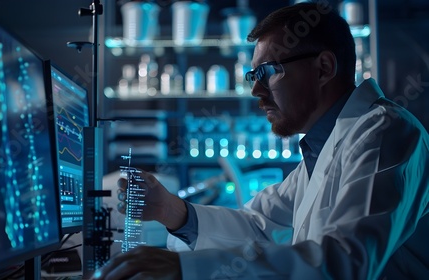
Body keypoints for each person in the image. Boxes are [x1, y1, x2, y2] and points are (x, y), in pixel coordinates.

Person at [96, 2, 429, 279]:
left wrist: (185, 268)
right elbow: (260, 227)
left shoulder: (386, 133)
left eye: (267, 72)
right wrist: (170, 210)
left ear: (324, 68)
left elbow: (344, 263)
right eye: (253, 76)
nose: (256, 91)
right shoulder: (323, 147)